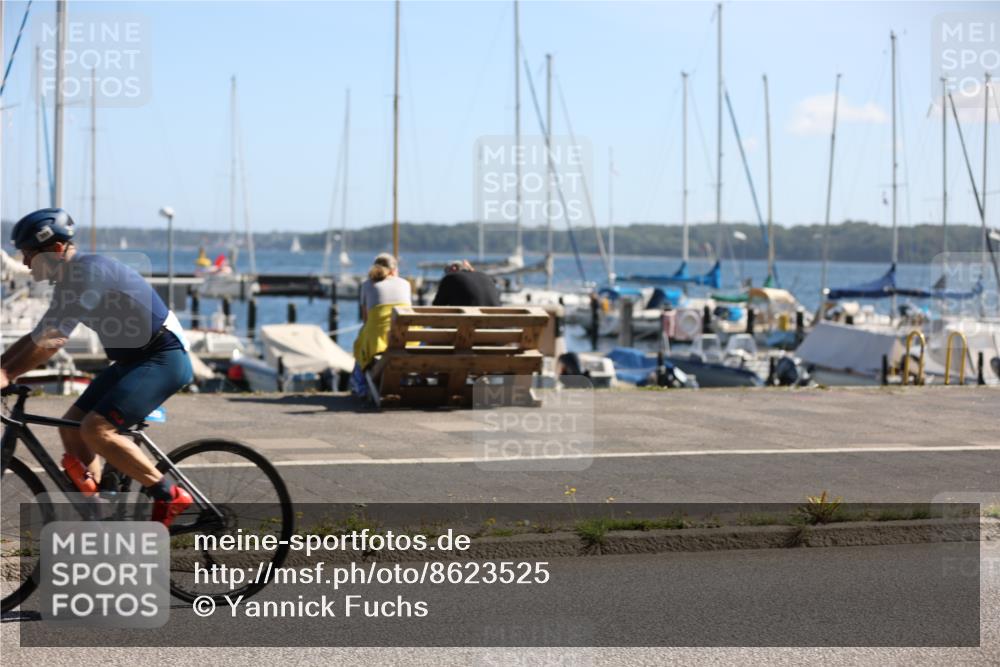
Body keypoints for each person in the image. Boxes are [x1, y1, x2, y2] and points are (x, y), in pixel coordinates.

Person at [0, 208, 194, 526]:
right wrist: (3, 366)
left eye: (29, 254)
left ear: (57, 249)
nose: (24, 263)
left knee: (96, 429)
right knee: (71, 426)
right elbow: (37, 335)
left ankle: (169, 493)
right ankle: (103, 515)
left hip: (163, 357)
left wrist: (8, 374)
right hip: (133, 360)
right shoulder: (67, 281)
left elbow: (54, 340)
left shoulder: (88, 273)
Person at [351, 253, 412, 394]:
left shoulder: (367, 285)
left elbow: (366, 320)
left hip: (378, 343)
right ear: (393, 270)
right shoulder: (405, 284)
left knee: (361, 340)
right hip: (407, 341)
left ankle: (362, 387)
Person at [432, 259, 501, 307]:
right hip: (497, 324)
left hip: (471, 324)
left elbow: (437, 306)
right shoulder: (485, 276)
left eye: (446, 273)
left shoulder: (450, 277)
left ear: (454, 268)